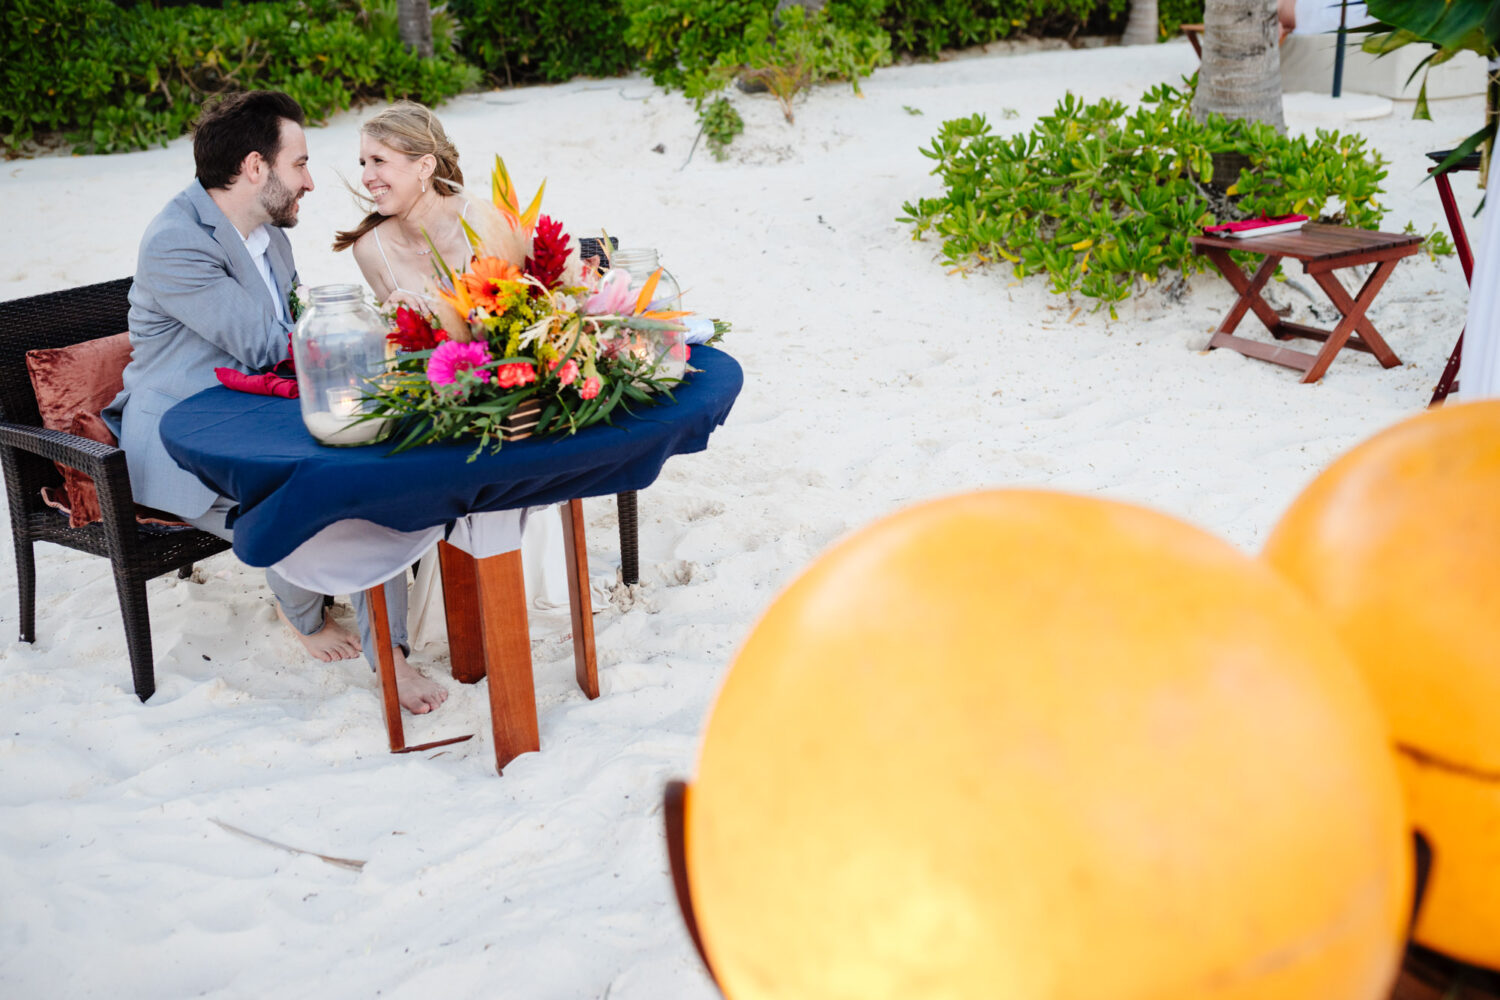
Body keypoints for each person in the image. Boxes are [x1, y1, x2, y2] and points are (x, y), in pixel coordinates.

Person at [102, 90, 447, 714]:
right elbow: (265, 343)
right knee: (327, 499)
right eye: (301, 164)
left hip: (264, 410)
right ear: (256, 168)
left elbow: (297, 326)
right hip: (188, 436)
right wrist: (373, 333)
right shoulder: (177, 241)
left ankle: (372, 633)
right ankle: (324, 626)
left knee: (373, 474)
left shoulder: (268, 233)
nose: (312, 182)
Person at [334, 103, 570, 648]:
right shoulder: (371, 249)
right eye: (363, 161)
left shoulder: (485, 221)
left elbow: (525, 325)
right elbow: (402, 354)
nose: (367, 176)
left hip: (506, 395)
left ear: (423, 166)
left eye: (379, 160)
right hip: (434, 398)